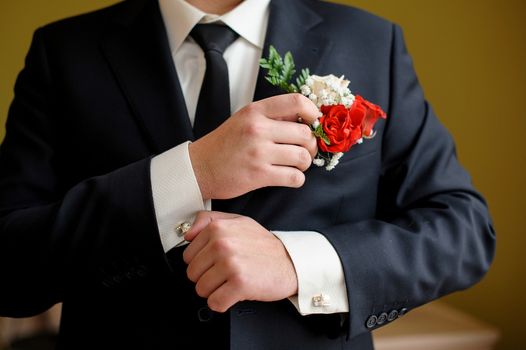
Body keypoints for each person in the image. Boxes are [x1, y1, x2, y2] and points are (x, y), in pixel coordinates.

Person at [0, 0, 495, 349]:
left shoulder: (371, 42)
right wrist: (191, 174)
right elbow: (9, 265)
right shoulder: (63, 52)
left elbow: (462, 230)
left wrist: (296, 264)